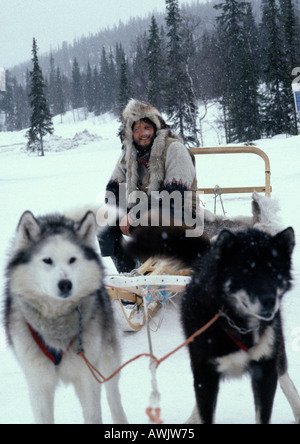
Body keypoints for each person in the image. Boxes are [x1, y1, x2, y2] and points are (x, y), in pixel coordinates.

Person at [99, 99, 199, 273]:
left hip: (182, 212)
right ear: (130, 133)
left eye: (147, 127)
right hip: (146, 210)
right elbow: (113, 189)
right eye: (137, 129)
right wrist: (120, 214)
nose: (143, 133)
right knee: (105, 222)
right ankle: (130, 277)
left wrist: (135, 214)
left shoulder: (174, 149)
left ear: (156, 127)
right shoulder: (129, 154)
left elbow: (174, 196)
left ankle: (149, 275)